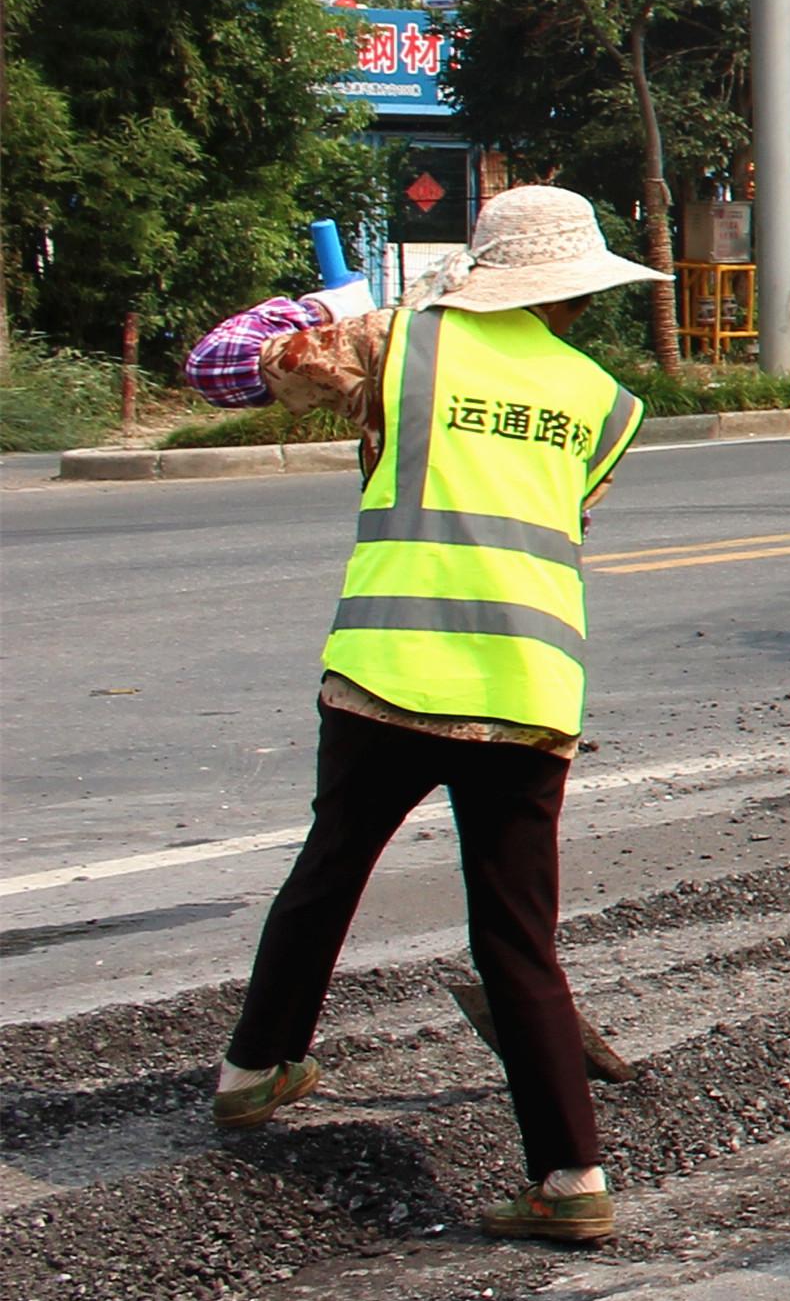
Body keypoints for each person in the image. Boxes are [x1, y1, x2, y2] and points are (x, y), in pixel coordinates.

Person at [190, 186, 661, 1245]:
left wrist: (296, 313)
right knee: (516, 938)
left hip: (389, 670)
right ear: (579, 294)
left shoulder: (399, 343)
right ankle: (570, 1177)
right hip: (527, 689)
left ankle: (254, 1069)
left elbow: (220, 368)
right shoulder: (607, 402)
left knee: (331, 867)